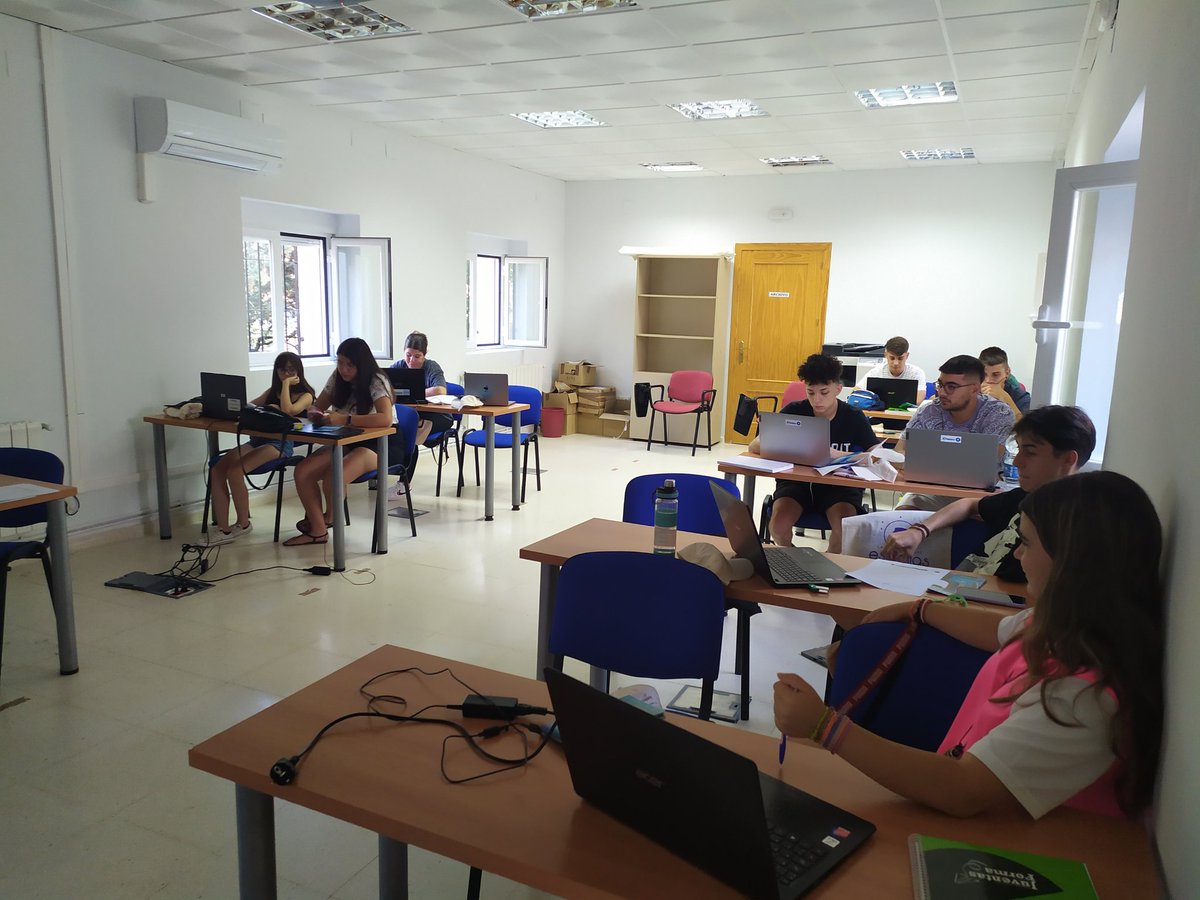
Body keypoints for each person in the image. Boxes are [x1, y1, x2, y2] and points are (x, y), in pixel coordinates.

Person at [775, 470, 1165, 820]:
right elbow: (1000, 630)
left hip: (1012, 842)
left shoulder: (1080, 696)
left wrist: (823, 726)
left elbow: (962, 791)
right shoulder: (1065, 627)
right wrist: (920, 609)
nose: (1016, 554)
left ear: (1072, 559)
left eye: (1026, 542)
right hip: (968, 805)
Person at [881, 405, 1095, 582]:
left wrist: (923, 610)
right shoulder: (1026, 497)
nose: (1018, 462)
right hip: (964, 594)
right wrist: (919, 531)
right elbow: (969, 504)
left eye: (1030, 452)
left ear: (1068, 460)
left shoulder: (1069, 526)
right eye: (1019, 450)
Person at [750, 353, 877, 553]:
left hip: (839, 488)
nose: (816, 400)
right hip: (796, 484)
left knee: (844, 531)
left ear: (838, 389)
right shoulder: (795, 410)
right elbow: (754, 445)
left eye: (824, 392)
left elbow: (876, 456)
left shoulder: (853, 417)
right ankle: (795, 562)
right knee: (777, 526)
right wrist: (797, 445)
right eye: (810, 393)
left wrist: (835, 454)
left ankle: (825, 567)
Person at [284, 338, 394, 547]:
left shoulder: (376, 380)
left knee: (333, 477)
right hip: (345, 440)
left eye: (349, 365)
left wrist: (344, 419)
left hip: (377, 444)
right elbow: (318, 406)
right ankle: (318, 529)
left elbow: (385, 419)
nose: (343, 369)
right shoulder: (338, 378)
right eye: (340, 363)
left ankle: (328, 519)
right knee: (303, 472)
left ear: (361, 364)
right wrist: (316, 413)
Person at [207, 352, 315, 544]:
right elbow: (248, 406)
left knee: (234, 471)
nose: (287, 373)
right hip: (257, 441)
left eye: (291, 369)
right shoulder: (271, 392)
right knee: (217, 470)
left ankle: (243, 524)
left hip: (279, 445)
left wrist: (285, 385)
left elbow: (289, 410)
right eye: (282, 370)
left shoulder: (306, 394)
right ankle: (222, 528)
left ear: (299, 370)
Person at [896, 355, 1015, 511]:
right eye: (940, 384)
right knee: (901, 516)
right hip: (932, 491)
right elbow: (899, 451)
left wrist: (928, 467)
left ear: (975, 388)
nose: (942, 392)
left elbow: (987, 463)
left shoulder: (998, 413)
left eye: (951, 386)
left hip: (981, 496)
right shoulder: (929, 410)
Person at [388, 331, 450, 499]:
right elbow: (383, 387)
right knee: (396, 430)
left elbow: (440, 390)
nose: (411, 360)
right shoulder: (398, 367)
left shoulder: (431, 367)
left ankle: (403, 485)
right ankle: (381, 475)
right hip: (411, 415)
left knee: (410, 435)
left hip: (437, 417)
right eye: (408, 355)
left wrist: (415, 392)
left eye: (417, 356)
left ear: (424, 355)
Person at [855, 336, 927, 390]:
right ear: (886, 355)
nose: (896, 363)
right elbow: (856, 391)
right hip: (879, 410)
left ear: (907, 356)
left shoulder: (916, 373)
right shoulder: (876, 372)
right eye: (892, 358)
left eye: (900, 358)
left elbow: (919, 399)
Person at [979, 346, 1031, 417]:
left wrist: (1005, 398)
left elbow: (1026, 426)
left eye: (995, 375)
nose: (988, 380)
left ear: (1007, 373)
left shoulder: (1021, 397)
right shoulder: (972, 390)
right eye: (984, 375)